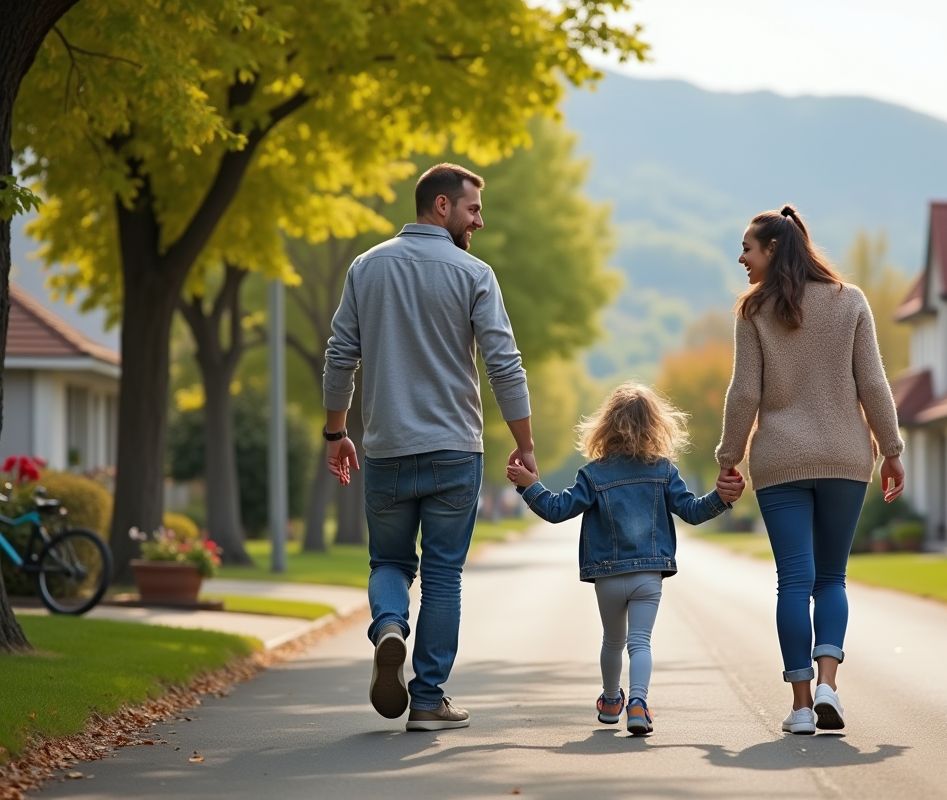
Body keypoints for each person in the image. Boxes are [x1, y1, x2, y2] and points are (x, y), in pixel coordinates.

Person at [323, 163, 537, 731]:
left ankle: (389, 625)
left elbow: (341, 354)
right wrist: (525, 444)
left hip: (387, 449)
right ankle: (427, 699)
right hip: (453, 453)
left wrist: (336, 432)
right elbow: (503, 364)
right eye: (473, 209)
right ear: (441, 207)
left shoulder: (365, 268)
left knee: (389, 561)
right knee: (443, 576)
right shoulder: (475, 274)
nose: (480, 221)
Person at [715, 205, 905, 736]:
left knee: (794, 582)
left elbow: (745, 393)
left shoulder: (753, 311)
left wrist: (729, 457)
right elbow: (873, 384)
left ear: (772, 249)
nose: (742, 258)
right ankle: (829, 686)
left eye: (747, 248)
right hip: (847, 459)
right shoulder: (851, 302)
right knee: (832, 578)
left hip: (779, 463)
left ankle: (801, 708)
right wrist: (891, 449)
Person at [506, 382, 745, 735]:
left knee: (612, 641)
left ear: (605, 426)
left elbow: (557, 510)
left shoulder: (593, 474)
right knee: (640, 642)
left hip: (606, 575)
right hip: (648, 573)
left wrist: (529, 485)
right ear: (656, 426)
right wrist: (722, 498)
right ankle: (638, 704)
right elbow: (692, 511)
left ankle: (609, 700)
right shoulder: (664, 471)